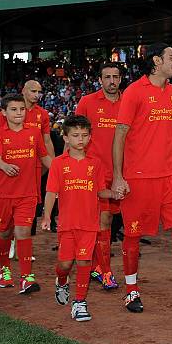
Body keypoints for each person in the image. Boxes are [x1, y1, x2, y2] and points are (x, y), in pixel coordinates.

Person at [112, 42, 172, 314]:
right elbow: (119, 135)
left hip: (171, 176)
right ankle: (131, 290)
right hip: (139, 177)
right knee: (132, 233)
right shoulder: (133, 92)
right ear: (156, 61)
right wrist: (118, 177)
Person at [41, 115, 123, 321]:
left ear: (90, 138)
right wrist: (47, 216)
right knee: (66, 264)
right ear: (66, 138)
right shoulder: (58, 164)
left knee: (85, 261)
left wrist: (113, 194)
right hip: (67, 224)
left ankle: (80, 302)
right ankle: (61, 281)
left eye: (85, 135)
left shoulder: (95, 164)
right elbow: (51, 192)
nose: (80, 139)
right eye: (75, 135)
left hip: (89, 223)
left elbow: (100, 191)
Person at [0, 94, 52, 294]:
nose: (18, 113)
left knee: (23, 232)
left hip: (28, 193)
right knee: (5, 232)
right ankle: (4, 269)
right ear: (4, 112)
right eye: (14, 109)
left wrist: (63, 171)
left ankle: (26, 277)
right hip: (3, 193)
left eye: (21, 109)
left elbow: (44, 157)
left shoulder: (34, 132)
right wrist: (5, 166)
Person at [75, 62, 123, 290]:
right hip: (94, 172)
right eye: (107, 77)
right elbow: (75, 134)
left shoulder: (129, 102)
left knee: (110, 221)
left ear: (120, 79)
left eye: (115, 76)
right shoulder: (87, 102)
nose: (111, 81)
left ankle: (97, 265)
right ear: (100, 80)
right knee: (103, 219)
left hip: (121, 172)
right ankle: (106, 271)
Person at [0, 80, 55, 256]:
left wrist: (55, 165)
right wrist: (1, 164)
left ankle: (21, 241)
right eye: (33, 91)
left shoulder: (43, 114)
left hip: (35, 165)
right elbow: (1, 137)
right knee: (12, 210)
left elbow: (46, 141)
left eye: (39, 91)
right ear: (23, 91)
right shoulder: (10, 110)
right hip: (12, 166)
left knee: (30, 206)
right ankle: (13, 241)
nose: (36, 95)